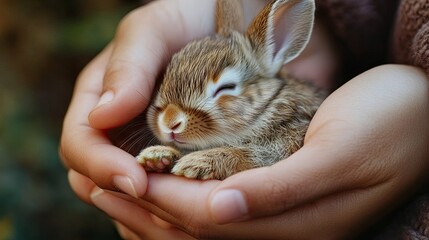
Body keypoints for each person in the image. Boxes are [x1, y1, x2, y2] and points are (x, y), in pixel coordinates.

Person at [60, 0, 429, 239]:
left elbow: (284, 151)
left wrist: (232, 159)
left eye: (222, 90)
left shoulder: (292, 108)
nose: (170, 120)